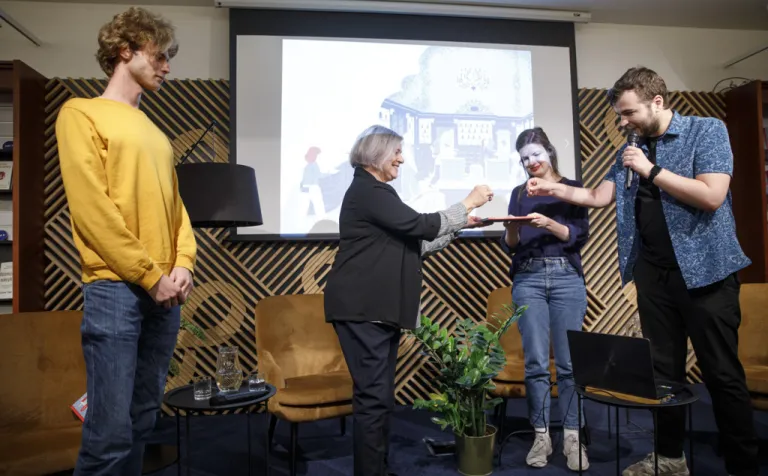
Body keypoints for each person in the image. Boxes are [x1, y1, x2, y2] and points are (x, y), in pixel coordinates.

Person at [527, 66, 758, 476]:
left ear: (657, 101)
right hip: (654, 278)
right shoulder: (631, 149)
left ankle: (743, 464)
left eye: (629, 113)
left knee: (722, 373)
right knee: (663, 375)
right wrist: (553, 188)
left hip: (707, 275)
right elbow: (598, 196)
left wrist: (651, 170)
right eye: (619, 115)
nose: (623, 122)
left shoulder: (705, 131)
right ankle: (670, 458)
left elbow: (712, 195)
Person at [55, 7, 196, 475]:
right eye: (159, 56)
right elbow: (92, 210)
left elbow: (176, 208)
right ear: (125, 51)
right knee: (109, 433)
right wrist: (150, 275)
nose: (167, 67)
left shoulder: (155, 131)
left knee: (141, 420)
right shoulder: (80, 113)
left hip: (165, 292)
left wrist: (184, 263)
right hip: (116, 288)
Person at [324, 125, 494, 476]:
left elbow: (417, 244)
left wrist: (460, 225)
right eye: (397, 152)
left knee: (379, 398)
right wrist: (467, 202)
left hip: (374, 311)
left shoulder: (374, 192)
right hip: (364, 310)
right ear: (376, 155)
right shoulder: (370, 191)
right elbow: (421, 225)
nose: (401, 159)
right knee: (373, 400)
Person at [500, 127, 590, 471]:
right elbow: (511, 245)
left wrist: (549, 224)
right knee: (536, 363)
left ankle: (572, 437)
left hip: (566, 276)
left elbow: (578, 237)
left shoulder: (573, 188)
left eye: (536, 154)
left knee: (569, 365)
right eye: (524, 158)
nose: (531, 162)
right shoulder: (518, 192)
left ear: (549, 152)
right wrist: (512, 228)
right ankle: (541, 435)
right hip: (529, 277)